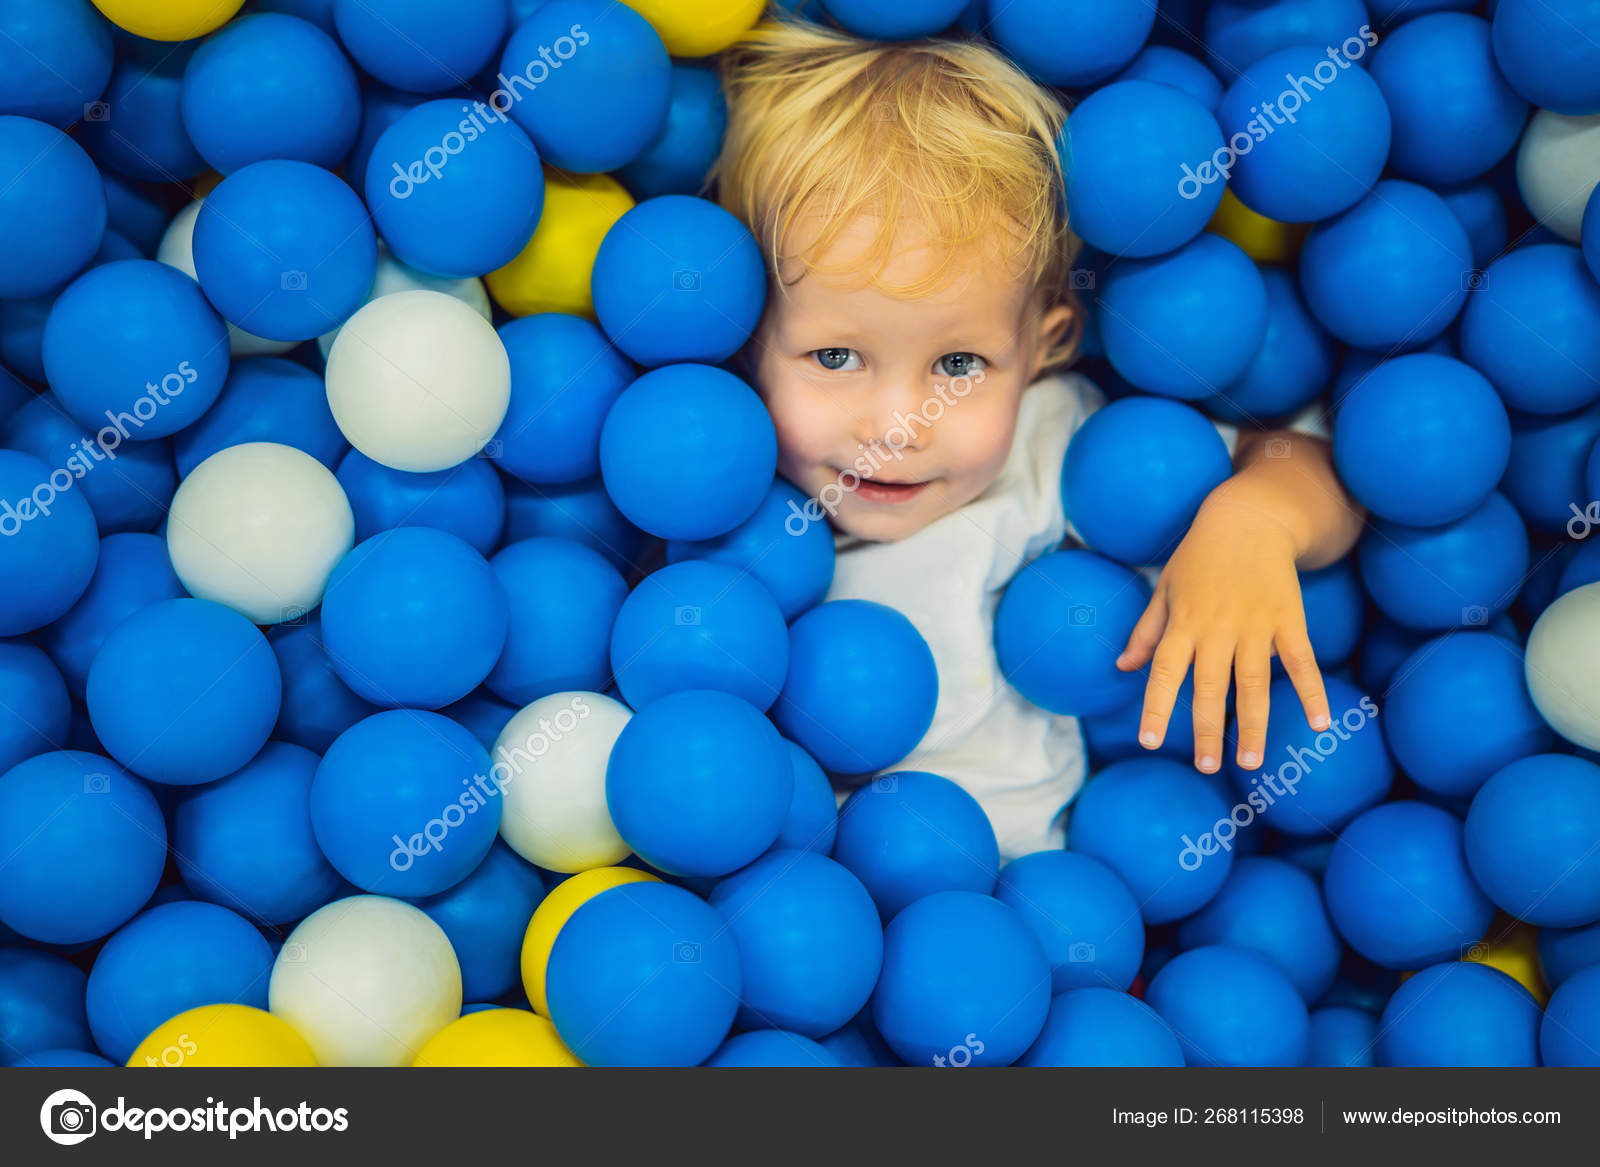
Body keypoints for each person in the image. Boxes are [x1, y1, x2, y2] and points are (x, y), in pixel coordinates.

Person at [713, 18, 1365, 858]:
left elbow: (1324, 468)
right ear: (745, 340)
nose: (894, 425)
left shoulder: (1059, 445)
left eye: (960, 362)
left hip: (1032, 906)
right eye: (835, 356)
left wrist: (1256, 523)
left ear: (1043, 346)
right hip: (787, 891)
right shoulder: (719, 503)